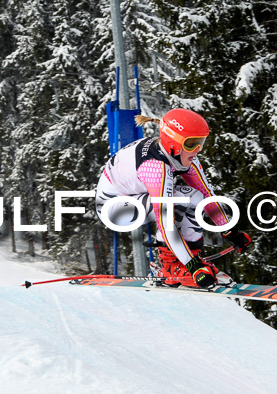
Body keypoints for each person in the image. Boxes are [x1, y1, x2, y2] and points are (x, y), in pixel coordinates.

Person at [94, 108, 251, 288]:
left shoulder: (182, 155)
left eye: (201, 142)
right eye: (192, 143)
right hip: (114, 209)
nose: (198, 150)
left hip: (134, 197)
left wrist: (230, 231)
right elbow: (165, 223)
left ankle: (183, 263)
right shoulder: (155, 167)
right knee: (182, 198)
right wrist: (193, 267)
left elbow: (207, 196)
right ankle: (170, 268)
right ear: (173, 144)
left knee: (196, 196)